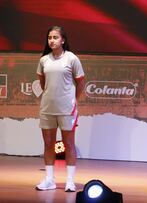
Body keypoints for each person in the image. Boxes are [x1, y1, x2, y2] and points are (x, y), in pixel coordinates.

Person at [35, 26, 85, 192]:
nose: (52, 40)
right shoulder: (44, 60)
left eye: (55, 37)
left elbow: (81, 83)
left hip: (66, 109)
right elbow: (42, 83)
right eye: (49, 37)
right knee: (48, 143)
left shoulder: (72, 59)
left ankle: (70, 181)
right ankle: (49, 180)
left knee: (68, 144)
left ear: (63, 40)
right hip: (47, 108)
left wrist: (73, 100)